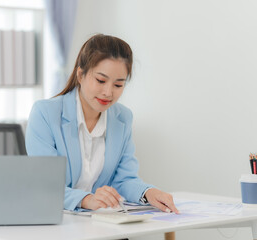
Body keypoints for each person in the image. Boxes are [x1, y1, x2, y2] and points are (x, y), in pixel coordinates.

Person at [26, 34, 179, 213]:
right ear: (80, 74)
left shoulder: (123, 118)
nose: (108, 92)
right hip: (58, 222)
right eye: (101, 80)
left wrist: (148, 193)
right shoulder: (45, 114)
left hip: (101, 223)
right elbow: (45, 184)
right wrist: (86, 199)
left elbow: (124, 180)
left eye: (118, 85)